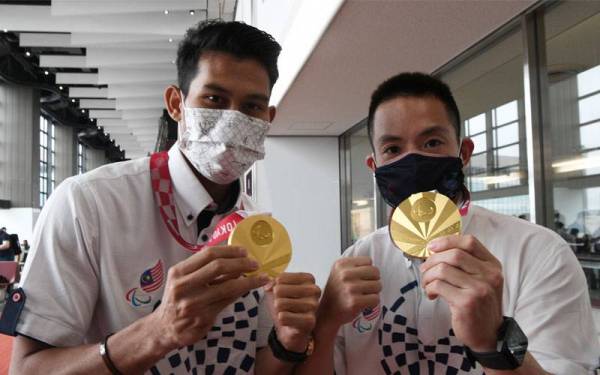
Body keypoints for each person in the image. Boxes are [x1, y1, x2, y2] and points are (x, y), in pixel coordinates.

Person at [8, 21, 321, 375]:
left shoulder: (259, 228)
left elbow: (254, 364)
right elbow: (27, 370)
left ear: (268, 120)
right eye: (214, 100)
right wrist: (157, 332)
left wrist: (287, 343)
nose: (233, 121)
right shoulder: (88, 205)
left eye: (252, 107)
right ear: (177, 104)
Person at [297, 72, 599, 374]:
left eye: (431, 142)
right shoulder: (358, 259)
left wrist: (492, 342)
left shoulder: (538, 253)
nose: (413, 161)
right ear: (374, 166)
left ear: (463, 153)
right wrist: (325, 321)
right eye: (392, 149)